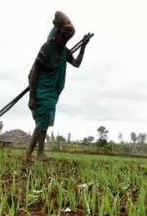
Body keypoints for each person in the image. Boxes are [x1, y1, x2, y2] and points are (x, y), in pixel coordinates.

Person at [25, 11, 92, 161]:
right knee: (42, 122)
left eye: (66, 39)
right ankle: (28, 154)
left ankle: (40, 152)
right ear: (57, 34)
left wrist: (83, 46)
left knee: (45, 122)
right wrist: (31, 96)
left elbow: (76, 64)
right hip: (41, 90)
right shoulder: (47, 48)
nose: (64, 41)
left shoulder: (63, 51)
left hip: (52, 92)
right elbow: (34, 73)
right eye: (63, 38)